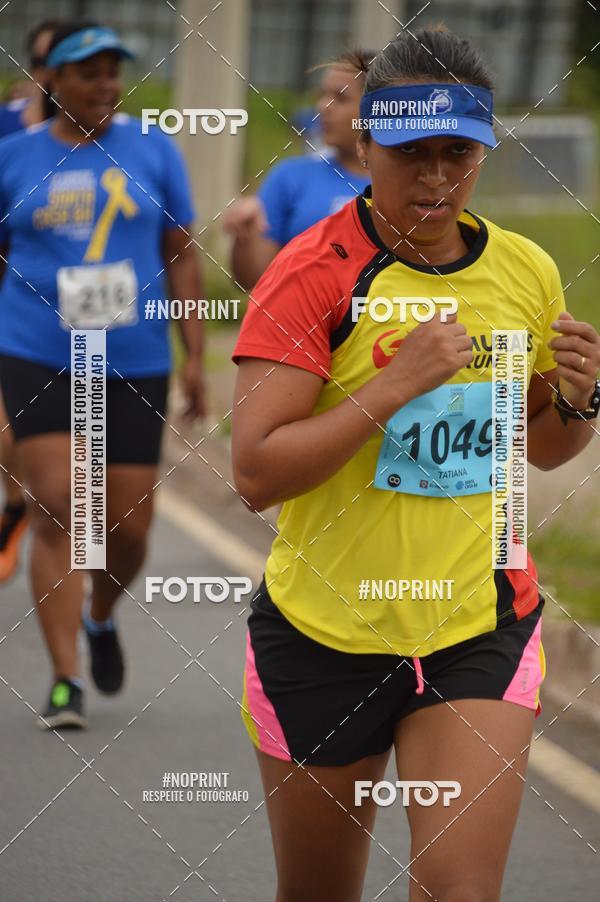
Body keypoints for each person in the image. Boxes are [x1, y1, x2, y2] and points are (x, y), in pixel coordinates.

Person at [231, 27, 600, 902]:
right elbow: (254, 474)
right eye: (411, 156)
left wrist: (582, 399)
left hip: (479, 625)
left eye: (458, 155)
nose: (436, 180)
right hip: (324, 634)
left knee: (459, 893)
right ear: (364, 146)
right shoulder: (312, 274)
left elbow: (542, 445)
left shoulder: (524, 270)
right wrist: (392, 386)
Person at [0, 20, 205, 730]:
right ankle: (65, 682)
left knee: (128, 530)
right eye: (89, 74)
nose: (105, 86)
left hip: (134, 359)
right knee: (58, 503)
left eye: (113, 73)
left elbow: (181, 252)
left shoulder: (153, 150)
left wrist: (197, 357)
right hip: (40, 352)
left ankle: (100, 612)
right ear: (52, 80)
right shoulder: (14, 158)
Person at [0, 19, 64, 583]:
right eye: (46, 61)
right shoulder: (8, 134)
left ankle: (30, 509)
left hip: (87, 327)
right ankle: (19, 500)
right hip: (11, 305)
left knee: (77, 491)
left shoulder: (111, 139)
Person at [223, 52, 373, 290]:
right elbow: (250, 280)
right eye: (322, 95)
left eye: (341, 98)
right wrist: (245, 235)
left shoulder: (404, 184)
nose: (323, 106)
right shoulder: (291, 177)